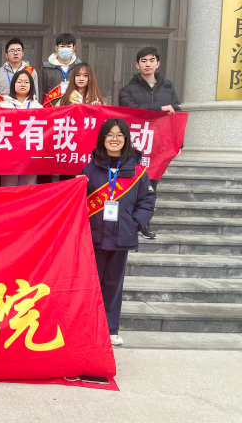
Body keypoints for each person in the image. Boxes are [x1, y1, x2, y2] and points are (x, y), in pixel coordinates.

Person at [80, 118, 156, 346]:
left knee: (114, 283)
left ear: (126, 139)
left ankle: (111, 329)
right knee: (91, 282)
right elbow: (78, 200)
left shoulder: (139, 172)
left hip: (122, 235)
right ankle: (89, 326)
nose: (114, 139)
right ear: (103, 139)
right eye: (110, 135)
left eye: (119, 135)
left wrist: (134, 224)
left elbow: (147, 201)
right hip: (93, 235)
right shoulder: (90, 169)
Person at [118, 47, 182, 239]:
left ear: (158, 63)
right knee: (130, 183)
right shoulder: (128, 90)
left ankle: (144, 224)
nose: (148, 64)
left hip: (158, 146)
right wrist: (159, 108)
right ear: (137, 65)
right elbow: (131, 109)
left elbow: (178, 116)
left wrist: (179, 144)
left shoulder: (168, 88)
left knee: (151, 185)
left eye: (151, 60)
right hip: (134, 145)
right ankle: (127, 222)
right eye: (143, 61)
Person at [0, 69, 42, 187]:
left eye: (26, 82)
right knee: (8, 188)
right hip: (9, 156)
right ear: (13, 84)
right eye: (19, 82)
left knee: (27, 188)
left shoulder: (38, 107)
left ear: (31, 85)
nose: (23, 84)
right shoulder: (2, 105)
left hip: (30, 156)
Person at [0, 38, 39, 105]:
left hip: (24, 109)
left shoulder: (31, 72)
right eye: (12, 51)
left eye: (18, 50)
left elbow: (35, 96)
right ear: (6, 55)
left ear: (23, 53)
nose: (15, 53)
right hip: (4, 109)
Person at [39, 33, 82, 107]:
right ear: (56, 48)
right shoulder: (46, 67)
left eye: (69, 46)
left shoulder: (80, 67)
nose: (65, 49)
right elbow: (40, 91)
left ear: (74, 48)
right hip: (52, 109)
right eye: (62, 46)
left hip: (74, 108)